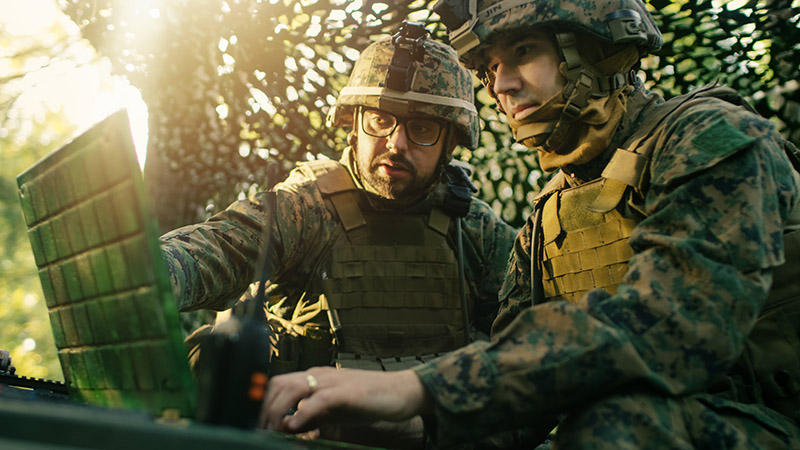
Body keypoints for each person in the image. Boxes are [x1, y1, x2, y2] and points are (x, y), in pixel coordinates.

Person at [261, 1, 800, 448]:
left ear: (594, 47)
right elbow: (520, 406)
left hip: (766, 422)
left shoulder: (712, 139)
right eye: (491, 69)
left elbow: (670, 325)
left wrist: (419, 389)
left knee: (618, 424)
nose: (503, 84)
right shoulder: (548, 217)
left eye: (523, 52)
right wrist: (416, 426)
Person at [160, 21, 515, 393]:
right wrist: (156, 273)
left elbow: (534, 341)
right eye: (380, 119)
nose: (396, 143)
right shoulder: (308, 207)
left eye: (422, 129)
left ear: (450, 144)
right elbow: (222, 246)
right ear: (354, 125)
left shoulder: (474, 230)